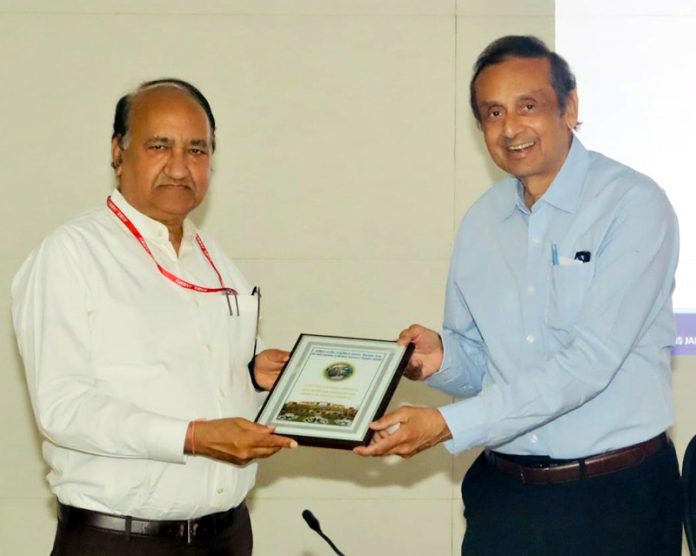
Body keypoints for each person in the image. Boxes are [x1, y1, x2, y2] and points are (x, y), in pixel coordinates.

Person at [355, 36, 681, 555]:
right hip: (504, 497)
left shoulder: (633, 205)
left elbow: (588, 364)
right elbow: (483, 365)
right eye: (492, 113)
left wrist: (444, 425)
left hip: (616, 499)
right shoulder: (482, 221)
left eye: (527, 106)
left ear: (569, 107)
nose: (510, 128)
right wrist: (439, 359)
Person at [12, 78, 297, 556]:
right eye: (160, 146)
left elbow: (205, 372)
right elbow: (64, 407)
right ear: (117, 153)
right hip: (120, 540)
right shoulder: (72, 254)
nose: (180, 167)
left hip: (224, 536)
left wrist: (253, 373)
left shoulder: (214, 259)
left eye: (197, 150)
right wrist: (191, 438)